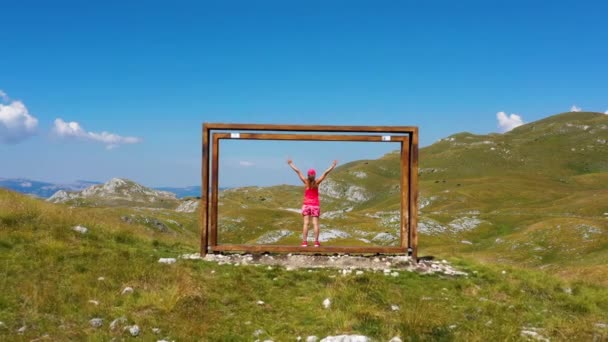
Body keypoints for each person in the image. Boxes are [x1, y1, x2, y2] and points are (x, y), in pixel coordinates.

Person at [287, 159, 338, 247]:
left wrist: (291, 164)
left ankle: (304, 242)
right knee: (315, 224)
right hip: (315, 205)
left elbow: (298, 171)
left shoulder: (306, 182)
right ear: (314, 176)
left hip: (306, 205)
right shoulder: (317, 182)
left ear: (308, 175)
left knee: (306, 223)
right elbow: (325, 173)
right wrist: (333, 166)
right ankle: (316, 242)